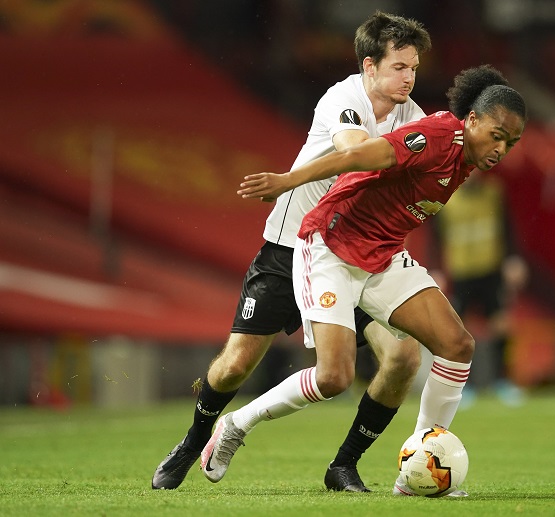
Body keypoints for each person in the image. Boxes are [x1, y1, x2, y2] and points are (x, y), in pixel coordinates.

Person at [204, 64, 526, 496]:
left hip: (383, 255)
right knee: (334, 377)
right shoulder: (434, 137)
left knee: (457, 345)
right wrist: (287, 181)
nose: (501, 149)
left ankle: (420, 469)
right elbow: (356, 156)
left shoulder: (467, 160)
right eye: (496, 135)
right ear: (471, 119)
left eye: (510, 143)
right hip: (331, 247)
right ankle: (235, 424)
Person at [151, 11, 432, 493]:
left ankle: (344, 464)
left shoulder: (414, 116)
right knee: (236, 364)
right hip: (293, 248)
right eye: (399, 67)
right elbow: (354, 153)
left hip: (356, 256)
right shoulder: (342, 99)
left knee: (404, 357)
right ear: (369, 66)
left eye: (414, 68)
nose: (408, 77)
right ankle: (195, 439)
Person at [434, 172, 529, 406]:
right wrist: (435, 269)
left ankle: (502, 381)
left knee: (500, 324)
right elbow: (436, 237)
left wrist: (513, 258)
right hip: (460, 272)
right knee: (459, 330)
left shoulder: (493, 193)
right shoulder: (447, 198)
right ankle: (464, 386)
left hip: (490, 269)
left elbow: (507, 227)